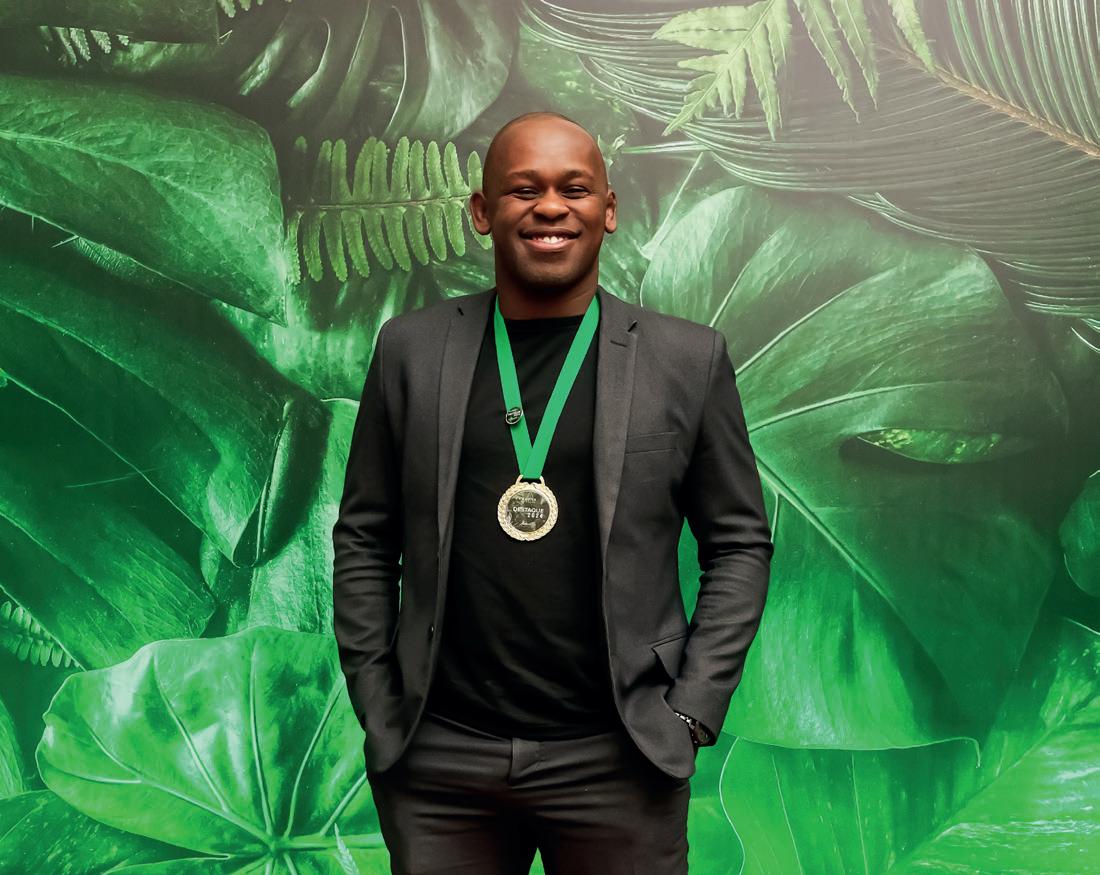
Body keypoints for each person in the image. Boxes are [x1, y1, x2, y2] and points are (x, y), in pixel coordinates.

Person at [332, 111, 774, 875]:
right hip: (442, 763)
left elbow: (739, 541)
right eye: (523, 189)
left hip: (622, 759)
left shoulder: (687, 359)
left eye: (574, 188)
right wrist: (379, 702)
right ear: (482, 211)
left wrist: (693, 708)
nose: (549, 206)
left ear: (608, 208)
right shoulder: (411, 348)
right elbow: (366, 534)